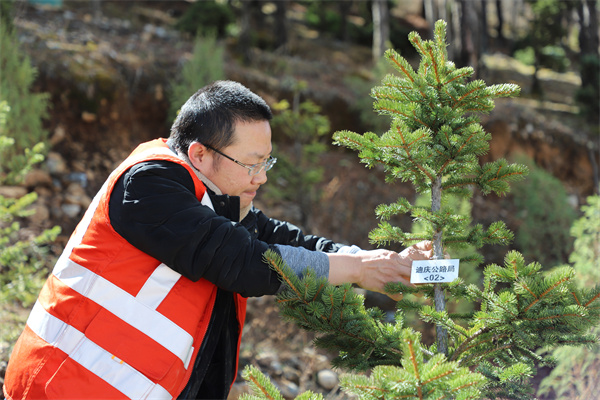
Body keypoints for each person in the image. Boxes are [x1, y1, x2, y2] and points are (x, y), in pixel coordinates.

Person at [3, 80, 433, 400]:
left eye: (267, 163)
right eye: (250, 163)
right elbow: (244, 260)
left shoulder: (215, 198)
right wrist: (358, 270)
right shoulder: (149, 187)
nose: (261, 177)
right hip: (62, 387)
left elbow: (279, 237)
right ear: (200, 154)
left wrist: (373, 261)